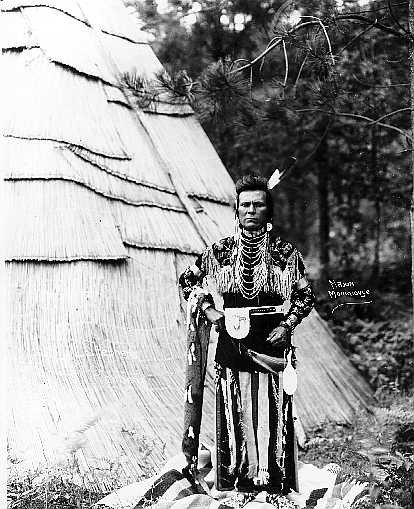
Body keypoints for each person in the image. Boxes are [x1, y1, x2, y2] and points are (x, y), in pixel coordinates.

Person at [179, 174, 315, 498]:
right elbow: (188, 282)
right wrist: (211, 313)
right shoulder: (220, 251)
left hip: (272, 346)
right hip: (232, 344)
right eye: (246, 205)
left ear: (268, 211)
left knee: (273, 412)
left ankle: (274, 485)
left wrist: (288, 325)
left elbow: (306, 296)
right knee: (234, 412)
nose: (252, 210)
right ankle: (239, 484)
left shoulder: (285, 253)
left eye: (259, 204)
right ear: (236, 211)